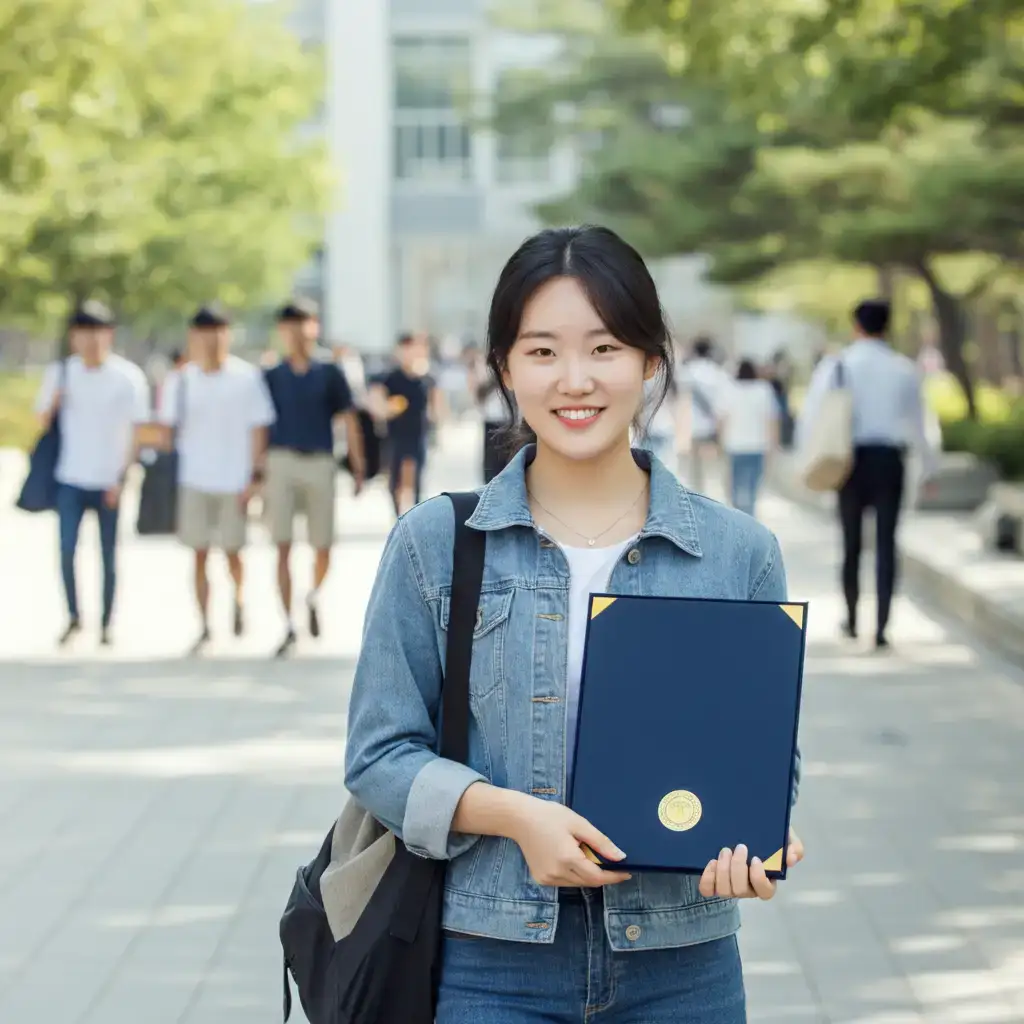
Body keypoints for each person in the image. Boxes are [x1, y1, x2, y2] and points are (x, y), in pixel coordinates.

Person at [345, 225, 804, 1024]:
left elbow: (765, 763)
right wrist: (518, 817)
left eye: (603, 348)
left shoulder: (739, 553)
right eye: (542, 352)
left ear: (649, 360)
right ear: (504, 370)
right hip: (489, 965)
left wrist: (754, 844)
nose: (575, 380)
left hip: (682, 968)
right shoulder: (438, 544)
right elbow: (379, 755)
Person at [798, 298, 939, 650]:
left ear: (856, 326)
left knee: (850, 542)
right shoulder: (903, 368)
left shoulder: (839, 365)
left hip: (851, 461)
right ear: (887, 327)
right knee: (887, 543)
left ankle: (851, 617)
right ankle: (881, 626)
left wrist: (808, 460)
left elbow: (814, 415)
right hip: (890, 460)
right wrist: (930, 467)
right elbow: (921, 423)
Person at [158, 303, 276, 654]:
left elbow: (259, 429)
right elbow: (165, 433)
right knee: (198, 554)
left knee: (233, 552)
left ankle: (238, 600)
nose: (210, 340)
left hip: (234, 481)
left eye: (217, 332)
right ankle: (205, 625)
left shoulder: (246, 377)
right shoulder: (180, 380)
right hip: (194, 479)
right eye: (203, 333)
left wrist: (255, 476)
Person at [34, 300, 149, 647]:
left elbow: (138, 434)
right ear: (73, 337)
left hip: (109, 479)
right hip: (70, 475)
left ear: (109, 334)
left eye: (96, 333)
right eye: (83, 334)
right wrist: (56, 398)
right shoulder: (62, 372)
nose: (90, 341)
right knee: (67, 549)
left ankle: (106, 622)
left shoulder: (127, 377)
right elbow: (41, 420)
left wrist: (124, 477)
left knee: (108, 554)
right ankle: (73, 616)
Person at [262, 299, 366, 657]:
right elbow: (260, 425)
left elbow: (349, 419)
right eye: (288, 326)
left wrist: (358, 465)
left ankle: (312, 595)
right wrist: (258, 471)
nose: (296, 333)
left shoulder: (330, 372)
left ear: (314, 327)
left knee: (324, 545)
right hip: (282, 460)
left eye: (302, 324)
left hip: (320, 461)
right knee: (282, 545)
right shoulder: (272, 375)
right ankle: (289, 623)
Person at [369, 332, 440, 516]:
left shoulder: (426, 378)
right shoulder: (390, 377)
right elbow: (377, 403)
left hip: (418, 434)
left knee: (416, 480)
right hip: (395, 435)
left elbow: (436, 406)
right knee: (395, 480)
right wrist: (388, 408)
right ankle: (398, 517)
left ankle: (415, 516)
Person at [718, 358, 779, 518]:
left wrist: (720, 443)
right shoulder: (764, 390)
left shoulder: (730, 390)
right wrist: (773, 445)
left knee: (736, 488)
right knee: (752, 489)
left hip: (735, 446)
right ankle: (749, 521)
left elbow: (722, 420)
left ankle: (739, 521)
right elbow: (772, 420)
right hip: (757, 446)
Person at [678, 336, 731, 492]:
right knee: (711, 473)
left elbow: (682, 402)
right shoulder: (718, 373)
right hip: (712, 428)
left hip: (692, 428)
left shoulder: (687, 372)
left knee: (693, 475)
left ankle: (695, 505)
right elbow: (723, 405)